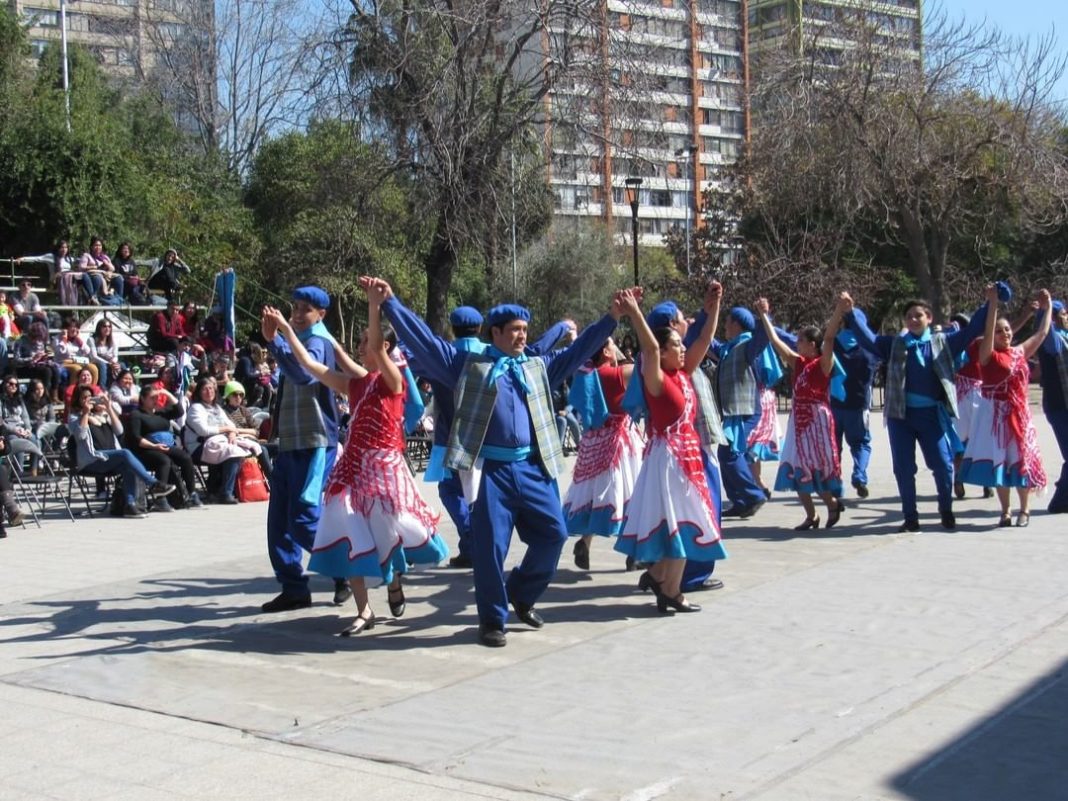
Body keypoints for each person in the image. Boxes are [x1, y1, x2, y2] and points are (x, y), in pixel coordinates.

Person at [380, 277, 624, 647]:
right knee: (489, 547)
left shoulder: (537, 366)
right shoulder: (469, 363)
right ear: (495, 333)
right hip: (490, 471)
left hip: (532, 469)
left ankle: (522, 593)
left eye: (525, 330)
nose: (523, 336)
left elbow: (576, 353)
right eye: (515, 331)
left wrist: (611, 318)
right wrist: (390, 304)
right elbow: (425, 343)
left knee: (554, 534)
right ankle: (493, 619)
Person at [263, 290, 448, 636]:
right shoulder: (356, 384)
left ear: (385, 349)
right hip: (353, 468)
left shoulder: (392, 383)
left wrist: (374, 304)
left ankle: (394, 582)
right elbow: (313, 366)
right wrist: (285, 333)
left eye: (366, 340)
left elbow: (377, 349)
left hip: (385, 472)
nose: (362, 345)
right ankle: (364, 611)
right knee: (349, 530)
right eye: (361, 341)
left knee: (387, 533)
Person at [614, 287, 727, 613]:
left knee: (681, 524)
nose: (682, 349)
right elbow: (648, 347)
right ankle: (671, 591)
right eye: (675, 345)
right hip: (670, 462)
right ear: (661, 354)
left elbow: (704, 339)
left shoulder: (684, 372)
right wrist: (635, 311)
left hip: (687, 459)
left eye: (681, 345)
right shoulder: (657, 379)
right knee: (684, 524)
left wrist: (714, 306)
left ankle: (659, 576)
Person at [841, 290, 989, 531]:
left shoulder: (944, 342)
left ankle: (946, 511)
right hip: (901, 417)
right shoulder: (895, 344)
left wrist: (990, 303)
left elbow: (973, 330)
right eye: (908, 316)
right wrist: (851, 313)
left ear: (929, 318)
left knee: (943, 464)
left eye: (918, 315)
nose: (912, 319)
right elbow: (868, 339)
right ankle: (910, 517)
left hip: (931, 415)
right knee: (903, 468)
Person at [259, 286, 345, 613]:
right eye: (294, 307)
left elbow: (304, 375)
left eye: (304, 309)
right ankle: (293, 587)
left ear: (321, 314)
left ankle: (346, 571)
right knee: (279, 520)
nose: (296, 313)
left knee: (304, 518)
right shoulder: (297, 341)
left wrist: (277, 338)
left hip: (315, 443)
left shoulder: (318, 342)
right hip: (290, 442)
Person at [959, 287, 1052, 526]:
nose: (1004, 334)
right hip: (995, 417)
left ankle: (1025, 510)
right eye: (999, 331)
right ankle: (1006, 510)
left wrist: (1047, 306)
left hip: (1019, 416)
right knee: (1000, 463)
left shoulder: (1019, 352)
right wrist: (993, 304)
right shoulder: (988, 356)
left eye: (1007, 330)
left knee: (1020, 462)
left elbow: (1042, 333)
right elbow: (989, 331)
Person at [756, 297, 845, 530]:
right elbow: (775, 341)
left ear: (813, 344)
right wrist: (764, 314)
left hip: (817, 421)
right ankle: (811, 515)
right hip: (798, 421)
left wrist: (838, 309)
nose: (797, 344)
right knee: (795, 467)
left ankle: (832, 503)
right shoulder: (798, 363)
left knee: (815, 468)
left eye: (801, 340)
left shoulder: (823, 363)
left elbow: (829, 337)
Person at [564, 336, 642, 569]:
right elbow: (650, 365)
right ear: (606, 352)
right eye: (611, 344)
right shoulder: (620, 373)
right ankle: (635, 552)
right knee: (630, 493)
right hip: (619, 444)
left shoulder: (586, 375)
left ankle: (585, 542)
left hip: (593, 442)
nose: (615, 346)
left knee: (595, 495)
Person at [67, 384, 176, 518]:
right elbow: (81, 436)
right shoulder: (74, 418)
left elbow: (120, 431)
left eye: (91, 397)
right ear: (78, 400)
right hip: (92, 459)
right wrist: (85, 413)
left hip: (107, 458)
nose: (89, 400)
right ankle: (153, 484)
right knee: (125, 453)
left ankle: (130, 505)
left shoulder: (101, 416)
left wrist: (108, 408)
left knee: (128, 466)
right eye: (84, 398)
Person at [711, 306, 773, 519]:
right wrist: (703, 320)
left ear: (737, 324)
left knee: (729, 454)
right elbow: (705, 341)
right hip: (733, 411)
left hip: (745, 410)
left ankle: (753, 495)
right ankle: (740, 501)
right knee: (725, 453)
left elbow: (764, 336)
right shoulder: (729, 348)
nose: (725, 326)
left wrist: (764, 313)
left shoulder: (747, 345)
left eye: (727, 321)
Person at [183, 377, 259, 504]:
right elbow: (203, 431)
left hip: (218, 442)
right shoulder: (196, 408)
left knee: (244, 448)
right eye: (205, 389)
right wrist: (227, 429)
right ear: (199, 392)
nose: (209, 392)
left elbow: (231, 426)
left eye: (211, 388)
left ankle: (224, 488)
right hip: (199, 446)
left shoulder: (217, 408)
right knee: (233, 451)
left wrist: (232, 433)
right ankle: (226, 492)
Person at [830, 307, 880, 498]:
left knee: (834, 446)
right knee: (861, 443)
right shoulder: (869, 347)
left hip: (834, 403)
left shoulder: (832, 343)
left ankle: (835, 485)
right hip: (859, 405)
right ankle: (859, 475)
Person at [127, 384, 203, 511]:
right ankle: (160, 499)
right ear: (143, 399)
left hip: (163, 446)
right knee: (163, 460)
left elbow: (179, 411)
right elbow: (136, 438)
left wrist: (166, 393)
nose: (155, 400)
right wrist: (154, 446)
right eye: (152, 398)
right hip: (144, 449)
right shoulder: (136, 415)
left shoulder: (161, 412)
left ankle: (192, 493)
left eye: (157, 397)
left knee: (185, 457)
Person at [1036, 299, 1068, 513]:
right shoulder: (1053, 339)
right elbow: (1047, 335)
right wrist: (1045, 310)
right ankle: (1059, 501)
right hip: (1059, 406)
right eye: (1063, 313)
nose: (1066, 316)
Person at [221, 380, 272, 477]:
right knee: (263, 450)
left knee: (278, 448)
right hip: (240, 445)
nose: (238, 397)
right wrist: (248, 432)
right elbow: (230, 431)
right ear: (228, 396)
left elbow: (257, 431)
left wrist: (238, 430)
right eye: (235, 395)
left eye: (241, 395)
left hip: (253, 442)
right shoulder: (223, 412)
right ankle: (273, 480)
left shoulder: (243, 410)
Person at [13, 321, 62, 401]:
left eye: (40, 339)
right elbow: (16, 360)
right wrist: (31, 358)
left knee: (54, 369)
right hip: (24, 368)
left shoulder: (41, 342)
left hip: (38, 365)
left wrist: (45, 357)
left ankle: (54, 396)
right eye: (36, 339)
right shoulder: (20, 342)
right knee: (47, 372)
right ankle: (44, 397)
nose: (37, 342)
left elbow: (43, 354)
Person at [54, 318, 99, 387]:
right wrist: (64, 339)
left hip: (79, 361)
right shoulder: (57, 339)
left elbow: (87, 351)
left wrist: (79, 340)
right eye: (72, 327)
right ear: (65, 328)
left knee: (93, 368)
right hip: (64, 362)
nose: (74, 329)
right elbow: (61, 352)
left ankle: (92, 389)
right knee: (77, 369)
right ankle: (73, 392)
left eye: (76, 327)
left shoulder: (78, 339)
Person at [77, 237, 122, 305]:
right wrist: (94, 267)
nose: (98, 247)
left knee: (119, 278)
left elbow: (113, 268)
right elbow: (81, 267)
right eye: (96, 245)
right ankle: (93, 298)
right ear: (91, 246)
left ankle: (119, 299)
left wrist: (107, 265)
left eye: (99, 245)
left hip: (105, 274)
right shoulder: (87, 256)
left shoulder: (104, 257)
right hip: (92, 274)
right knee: (97, 278)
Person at [88, 319, 122, 386]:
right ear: (99, 328)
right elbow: (94, 357)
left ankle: (120, 387)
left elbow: (115, 355)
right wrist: (108, 363)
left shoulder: (113, 340)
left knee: (122, 365)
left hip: (110, 362)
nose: (107, 329)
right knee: (103, 366)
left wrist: (114, 362)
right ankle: (103, 388)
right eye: (104, 326)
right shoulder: (91, 340)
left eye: (109, 326)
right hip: (97, 362)